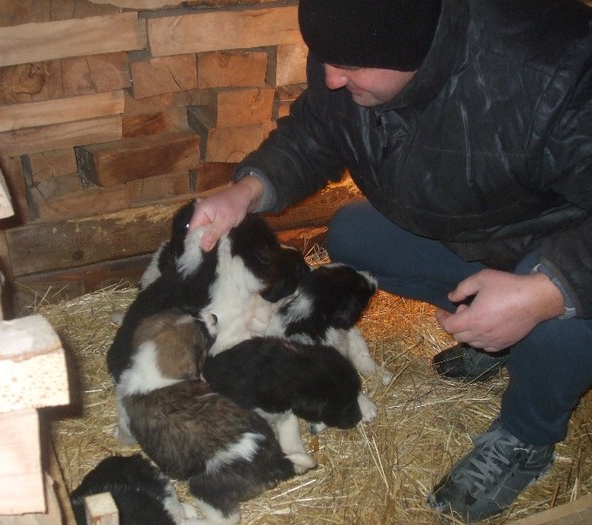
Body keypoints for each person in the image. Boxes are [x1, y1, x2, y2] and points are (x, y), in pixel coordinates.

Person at [187, 0, 592, 522]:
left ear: (416, 50)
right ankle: (509, 334)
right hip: (482, 231)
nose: (331, 78)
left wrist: (544, 292)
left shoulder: (558, 74)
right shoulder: (353, 52)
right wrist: (247, 189)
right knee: (353, 236)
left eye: (349, 67)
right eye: (326, 59)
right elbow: (316, 132)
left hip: (566, 243)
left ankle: (527, 438)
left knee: (566, 320)